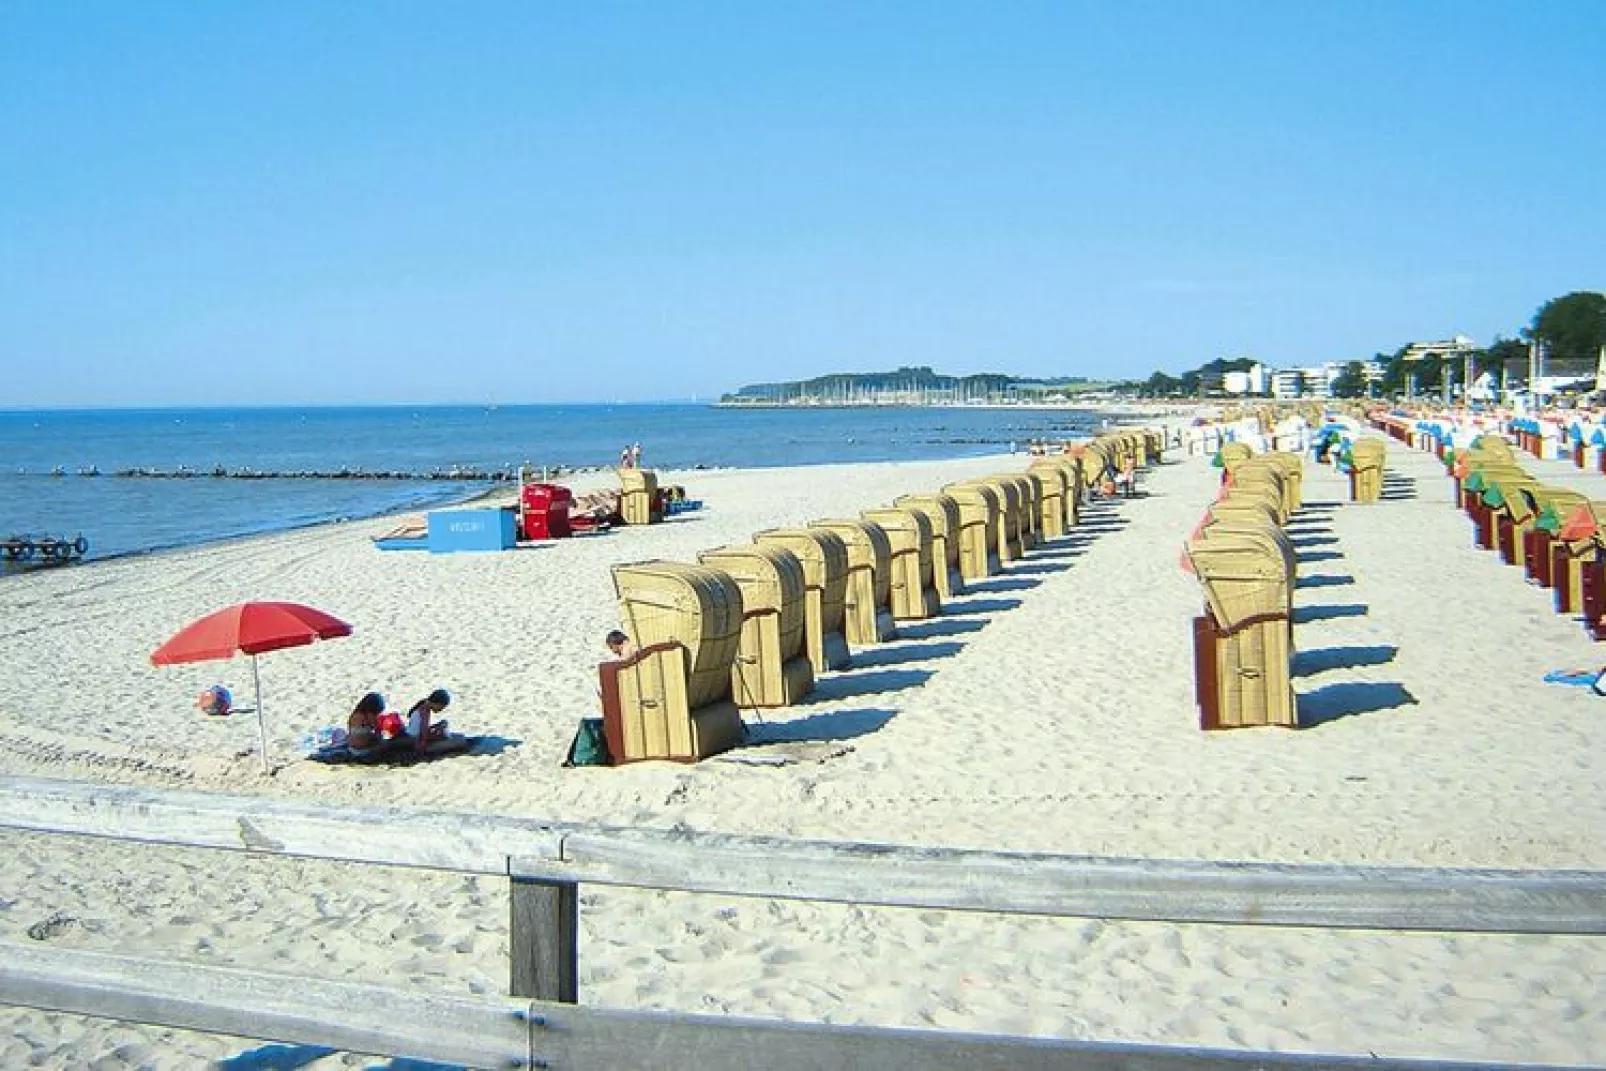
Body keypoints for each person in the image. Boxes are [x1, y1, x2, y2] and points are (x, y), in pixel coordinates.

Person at [405, 688, 452, 753]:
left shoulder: (425, 705)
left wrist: (437, 726)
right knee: (444, 734)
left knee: (443, 725)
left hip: (415, 734)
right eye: (441, 707)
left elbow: (423, 728)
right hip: (414, 738)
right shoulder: (423, 711)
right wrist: (438, 733)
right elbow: (422, 736)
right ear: (437, 703)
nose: (441, 709)